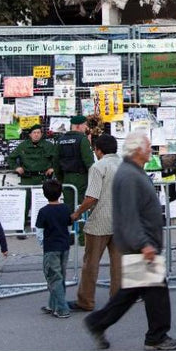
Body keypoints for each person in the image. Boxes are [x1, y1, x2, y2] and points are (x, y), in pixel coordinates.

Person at [83, 132, 176, 351]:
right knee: (156, 292)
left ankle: (98, 322)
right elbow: (128, 214)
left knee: (131, 292)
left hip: (141, 244)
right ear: (138, 150)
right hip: (141, 246)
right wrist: (144, 244)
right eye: (147, 146)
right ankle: (156, 337)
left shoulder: (132, 171)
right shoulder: (129, 175)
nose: (150, 150)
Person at [68, 133, 122, 312]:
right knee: (118, 264)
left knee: (90, 263)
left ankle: (86, 300)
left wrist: (77, 213)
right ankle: (118, 299)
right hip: (121, 221)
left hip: (100, 221)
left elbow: (91, 197)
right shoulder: (125, 165)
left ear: (98, 150)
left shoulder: (99, 167)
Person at [8, 124, 58, 237]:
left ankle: (47, 227)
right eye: (34, 133)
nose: (36, 135)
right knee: (25, 203)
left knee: (45, 203)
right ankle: (21, 228)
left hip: (43, 179)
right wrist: (16, 167)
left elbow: (57, 158)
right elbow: (10, 158)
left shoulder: (48, 145)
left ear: (41, 134)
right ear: (30, 134)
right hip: (27, 178)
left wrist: (53, 168)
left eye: (38, 133)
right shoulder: (23, 146)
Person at [35, 180, 74, 318]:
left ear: (44, 194)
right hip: (64, 246)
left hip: (51, 248)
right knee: (60, 276)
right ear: (60, 193)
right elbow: (69, 227)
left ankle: (62, 308)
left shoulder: (43, 211)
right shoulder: (66, 208)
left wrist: (43, 245)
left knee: (53, 277)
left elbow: (39, 232)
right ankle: (52, 305)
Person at [56, 114, 95, 211]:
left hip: (66, 178)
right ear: (78, 126)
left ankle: (69, 225)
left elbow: (56, 163)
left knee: (68, 206)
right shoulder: (82, 139)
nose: (86, 127)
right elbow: (89, 162)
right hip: (81, 178)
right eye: (85, 125)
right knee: (81, 206)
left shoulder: (60, 140)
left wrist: (61, 179)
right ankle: (81, 226)